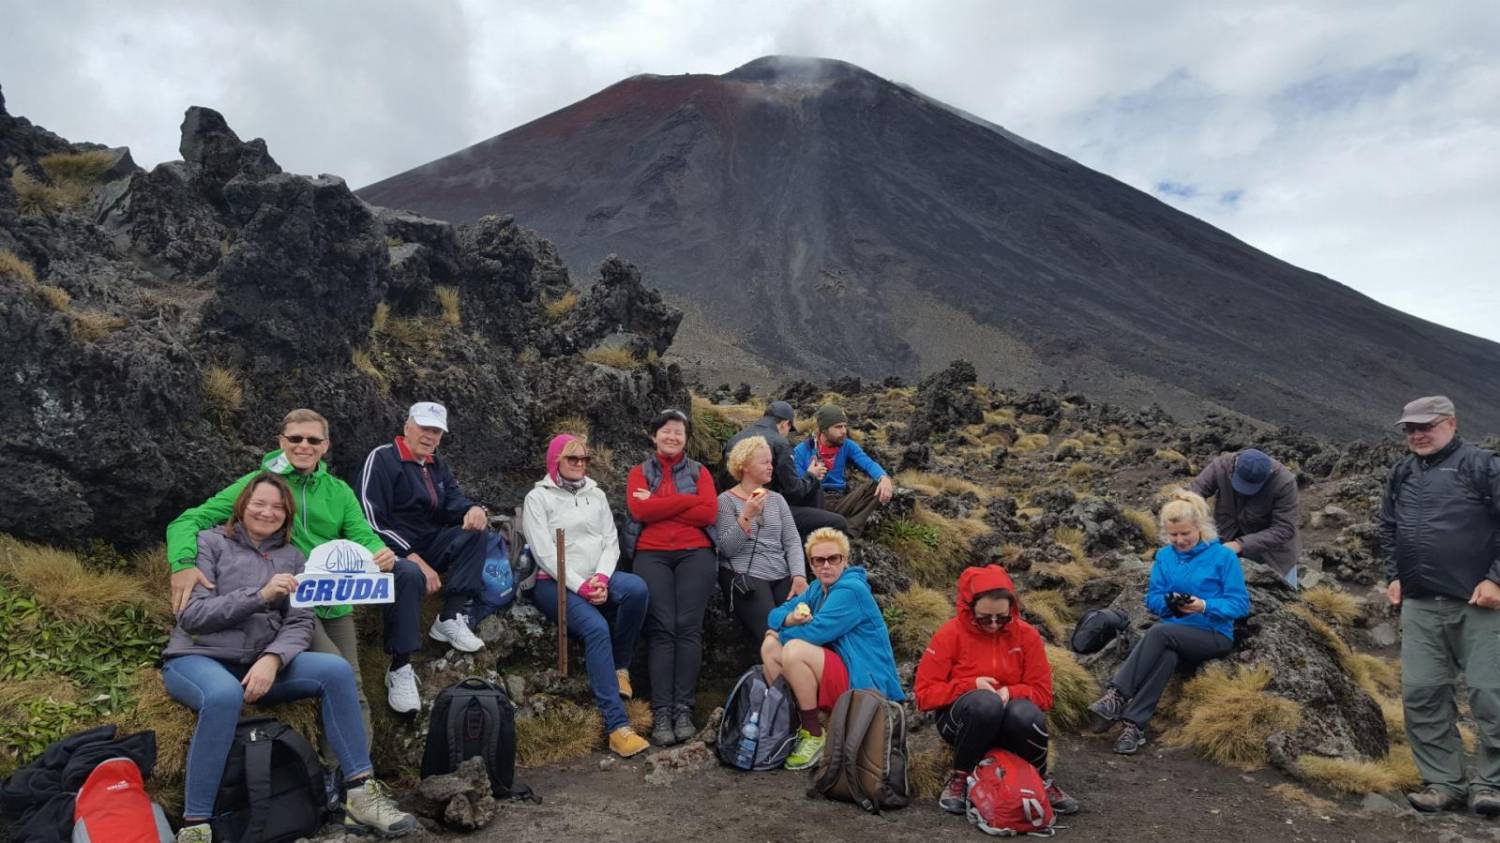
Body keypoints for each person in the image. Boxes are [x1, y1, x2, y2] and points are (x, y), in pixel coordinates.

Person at [162, 473, 415, 842]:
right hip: (198, 657)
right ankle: (196, 823)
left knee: (336, 669)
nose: (267, 512)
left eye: (278, 507)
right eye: (259, 503)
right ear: (242, 505)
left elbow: (300, 621)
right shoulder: (209, 543)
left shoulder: (294, 556)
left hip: (261, 661)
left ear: (288, 514)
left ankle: (360, 791)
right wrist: (261, 595)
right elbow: (193, 616)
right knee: (223, 695)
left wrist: (274, 658)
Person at [165, 408, 428, 728]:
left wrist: (379, 552)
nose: (304, 445)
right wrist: (182, 564)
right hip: (294, 600)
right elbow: (190, 519)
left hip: (336, 599)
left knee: (354, 684)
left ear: (325, 445)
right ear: (281, 441)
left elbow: (361, 534)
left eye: (313, 439)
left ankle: (354, 775)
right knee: (337, 671)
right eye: (295, 438)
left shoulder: (338, 491)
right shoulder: (258, 485)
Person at [1378, 395, 1500, 815]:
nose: (1417, 434)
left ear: (1450, 423)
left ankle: (1493, 785)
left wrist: (1495, 578)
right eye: (1410, 428)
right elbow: (1389, 527)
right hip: (1420, 602)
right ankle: (1444, 782)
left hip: (1480, 603)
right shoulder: (1402, 472)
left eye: (1426, 426)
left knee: (1490, 694)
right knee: (1422, 693)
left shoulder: (1482, 466)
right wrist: (1394, 575)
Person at [1086, 489, 1249, 755]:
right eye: (1173, 535)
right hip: (1176, 631)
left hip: (1215, 634)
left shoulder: (1223, 557)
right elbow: (1153, 600)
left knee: (1160, 634)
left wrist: (1204, 606)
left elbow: (1240, 604)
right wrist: (1171, 604)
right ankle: (1134, 726)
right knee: (1168, 655)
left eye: (1185, 533)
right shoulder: (1164, 557)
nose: (1180, 540)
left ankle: (1116, 696)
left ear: (1199, 527)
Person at [523, 433, 652, 758]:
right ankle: (617, 727)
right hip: (553, 581)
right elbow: (544, 553)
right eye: (572, 459)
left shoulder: (596, 494)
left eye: (584, 459)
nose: (580, 464)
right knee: (596, 628)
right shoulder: (538, 499)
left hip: (596, 576)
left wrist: (602, 578)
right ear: (556, 461)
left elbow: (611, 540)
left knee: (636, 589)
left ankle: (620, 668)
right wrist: (580, 585)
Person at [915, 564, 1079, 815]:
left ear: (1012, 609)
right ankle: (960, 777)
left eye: (1002, 618)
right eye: (983, 618)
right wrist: (970, 685)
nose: (993, 625)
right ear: (968, 608)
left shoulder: (1027, 636)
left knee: (1027, 713)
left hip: (1009, 720)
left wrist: (1010, 693)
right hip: (961, 722)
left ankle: (1039, 779)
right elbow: (925, 695)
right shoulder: (949, 635)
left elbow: (1044, 695)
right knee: (985, 703)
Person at [357, 402, 492, 680]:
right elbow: (370, 518)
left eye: (436, 431)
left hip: (430, 541)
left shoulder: (436, 464)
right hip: (389, 548)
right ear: (407, 426)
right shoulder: (382, 458)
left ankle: (449, 618)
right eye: (424, 428)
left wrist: (474, 509)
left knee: (477, 533)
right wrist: (411, 556)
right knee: (410, 576)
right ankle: (400, 665)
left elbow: (454, 501)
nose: (430, 436)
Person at [761, 527, 903, 770]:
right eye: (819, 560)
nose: (826, 566)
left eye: (833, 559)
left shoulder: (851, 590)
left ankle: (814, 734)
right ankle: (793, 727)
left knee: (794, 649)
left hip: (864, 681)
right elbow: (775, 614)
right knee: (770, 647)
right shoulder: (817, 588)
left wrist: (781, 630)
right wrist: (787, 621)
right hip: (839, 667)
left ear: (845, 560)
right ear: (811, 564)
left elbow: (816, 633)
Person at [624, 409, 719, 746]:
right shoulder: (639, 472)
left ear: (686, 438)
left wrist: (661, 502)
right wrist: (685, 502)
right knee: (662, 629)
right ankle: (662, 711)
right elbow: (640, 511)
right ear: (654, 436)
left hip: (696, 553)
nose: (672, 437)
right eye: (666, 431)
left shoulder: (700, 471)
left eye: (678, 432)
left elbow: (709, 512)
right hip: (651, 554)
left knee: (688, 626)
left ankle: (684, 709)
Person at [717, 435, 809, 641]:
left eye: (771, 462)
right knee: (774, 634)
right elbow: (726, 549)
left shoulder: (777, 500)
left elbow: (792, 541)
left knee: (808, 627)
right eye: (765, 462)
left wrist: (799, 576)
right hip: (747, 575)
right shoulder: (725, 501)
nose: (771, 466)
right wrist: (747, 515)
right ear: (745, 466)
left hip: (781, 573)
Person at [723, 400, 847, 537]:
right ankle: (809, 547)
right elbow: (794, 490)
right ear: (785, 424)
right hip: (767, 512)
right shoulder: (780, 443)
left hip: (736, 509)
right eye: (789, 429)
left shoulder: (734, 439)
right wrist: (811, 474)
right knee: (836, 521)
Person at [1188, 448, 1301, 587]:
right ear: (1234, 467)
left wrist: (1238, 545)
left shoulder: (1284, 483)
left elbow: (1284, 528)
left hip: (1272, 555)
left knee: (1284, 601)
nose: (1245, 491)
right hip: (1225, 542)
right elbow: (1193, 494)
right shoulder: (1221, 466)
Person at [791, 404, 894, 537]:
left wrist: (883, 478)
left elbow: (868, 464)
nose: (844, 431)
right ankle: (829, 528)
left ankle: (849, 533)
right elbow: (798, 487)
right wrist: (811, 475)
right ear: (824, 429)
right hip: (815, 502)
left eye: (845, 426)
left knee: (876, 486)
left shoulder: (847, 445)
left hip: (839, 500)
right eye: (838, 427)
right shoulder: (802, 450)